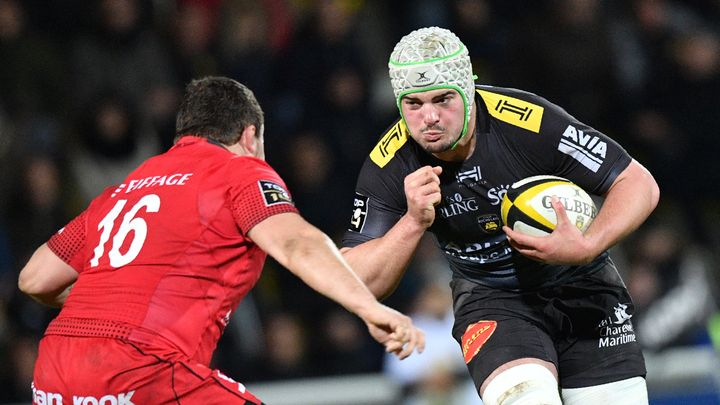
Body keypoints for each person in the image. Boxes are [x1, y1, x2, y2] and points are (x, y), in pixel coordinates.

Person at [18, 76, 424, 405]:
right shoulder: (238, 172)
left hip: (55, 374)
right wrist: (367, 306)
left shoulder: (124, 189)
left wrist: (111, 300)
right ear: (250, 136)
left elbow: (34, 279)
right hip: (142, 368)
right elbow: (296, 244)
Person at [341, 27, 660, 405]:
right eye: (413, 104)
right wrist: (412, 222)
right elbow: (356, 280)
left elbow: (637, 182)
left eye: (443, 99)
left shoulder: (529, 123)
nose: (428, 117)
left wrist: (588, 245)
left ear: (469, 90)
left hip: (583, 285)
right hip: (493, 299)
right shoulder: (389, 164)